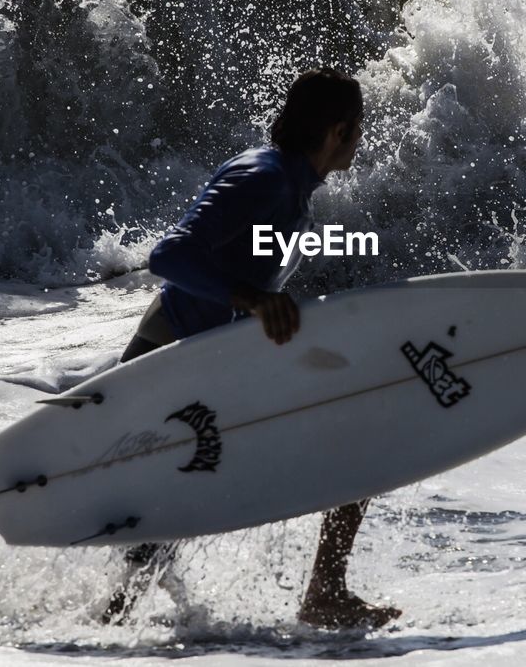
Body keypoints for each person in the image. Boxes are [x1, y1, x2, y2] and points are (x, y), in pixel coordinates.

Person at [102, 68, 400, 630]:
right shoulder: (264, 178)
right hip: (174, 358)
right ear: (339, 130)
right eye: (358, 130)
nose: (359, 141)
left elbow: (252, 256)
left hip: (218, 361)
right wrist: (255, 301)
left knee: (356, 440)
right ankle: (321, 594)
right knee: (183, 493)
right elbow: (169, 256)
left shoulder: (290, 183)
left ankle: (322, 593)